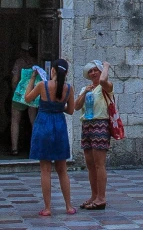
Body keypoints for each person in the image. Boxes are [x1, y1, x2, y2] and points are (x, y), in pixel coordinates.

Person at [29, 58, 77, 216]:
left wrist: (32, 79)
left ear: (53, 70)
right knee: (62, 169)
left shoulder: (42, 85)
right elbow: (70, 110)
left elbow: (27, 98)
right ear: (66, 72)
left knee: (45, 169)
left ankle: (48, 208)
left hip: (44, 125)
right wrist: (58, 106)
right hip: (59, 126)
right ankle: (69, 206)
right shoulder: (69, 89)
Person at [79, 60, 115, 210]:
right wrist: (84, 93)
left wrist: (106, 66)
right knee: (90, 164)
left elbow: (102, 80)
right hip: (87, 125)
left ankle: (101, 197)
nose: (93, 73)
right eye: (90, 71)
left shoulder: (106, 87)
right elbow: (75, 107)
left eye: (96, 70)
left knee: (99, 164)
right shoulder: (86, 88)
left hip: (100, 124)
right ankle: (94, 195)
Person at [9, 41, 40, 156]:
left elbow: (15, 79)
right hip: (32, 92)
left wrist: (13, 90)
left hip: (19, 93)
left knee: (15, 120)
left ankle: (14, 148)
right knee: (33, 120)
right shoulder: (35, 62)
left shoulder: (19, 62)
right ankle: (36, 146)